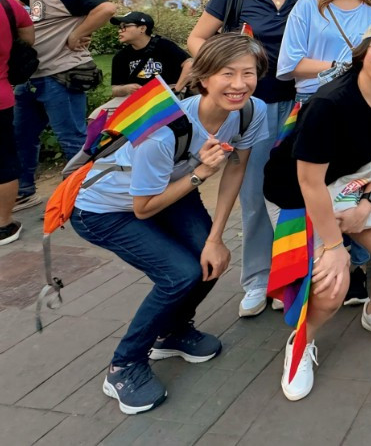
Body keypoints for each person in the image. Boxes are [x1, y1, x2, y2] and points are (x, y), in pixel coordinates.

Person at [71, 34, 269, 414]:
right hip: (105, 209)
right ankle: (124, 365)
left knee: (209, 261)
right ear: (204, 77)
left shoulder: (250, 111)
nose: (239, 84)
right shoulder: (164, 131)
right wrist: (200, 174)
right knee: (180, 274)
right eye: (228, 73)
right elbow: (143, 208)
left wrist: (216, 238)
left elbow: (237, 166)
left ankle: (173, 331)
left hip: (170, 190)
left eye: (248, 73)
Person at [264, 20, 371, 401]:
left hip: (358, 189)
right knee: (333, 288)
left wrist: (368, 205)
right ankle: (301, 343)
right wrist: (334, 247)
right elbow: (309, 182)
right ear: (363, 52)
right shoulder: (329, 103)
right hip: (307, 195)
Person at [188, 0, 308, 318]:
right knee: (253, 194)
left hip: (295, 107)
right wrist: (228, 71)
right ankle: (257, 279)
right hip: (250, 109)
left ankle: (289, 276)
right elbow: (197, 39)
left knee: (293, 195)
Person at [278, 0, 371, 307]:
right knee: (306, 192)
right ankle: (294, 273)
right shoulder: (308, 7)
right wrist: (341, 66)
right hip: (313, 108)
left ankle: (351, 270)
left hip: (359, 113)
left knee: (347, 189)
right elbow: (289, 65)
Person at [0, 0, 117, 212]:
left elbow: (106, 7)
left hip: (60, 76)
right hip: (32, 79)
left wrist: (79, 32)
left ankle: (88, 198)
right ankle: (25, 191)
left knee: (72, 139)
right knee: (22, 136)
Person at [0, 0, 34, 244]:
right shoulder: (9, 5)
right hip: (1, 97)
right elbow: (28, 40)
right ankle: (3, 225)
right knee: (3, 160)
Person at [110, 12, 192, 97]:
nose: (120, 30)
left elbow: (190, 64)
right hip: (136, 98)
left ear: (142, 28)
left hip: (166, 93)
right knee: (99, 111)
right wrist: (125, 89)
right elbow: (115, 89)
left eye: (124, 26)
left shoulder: (165, 46)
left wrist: (176, 91)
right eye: (119, 27)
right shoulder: (120, 56)